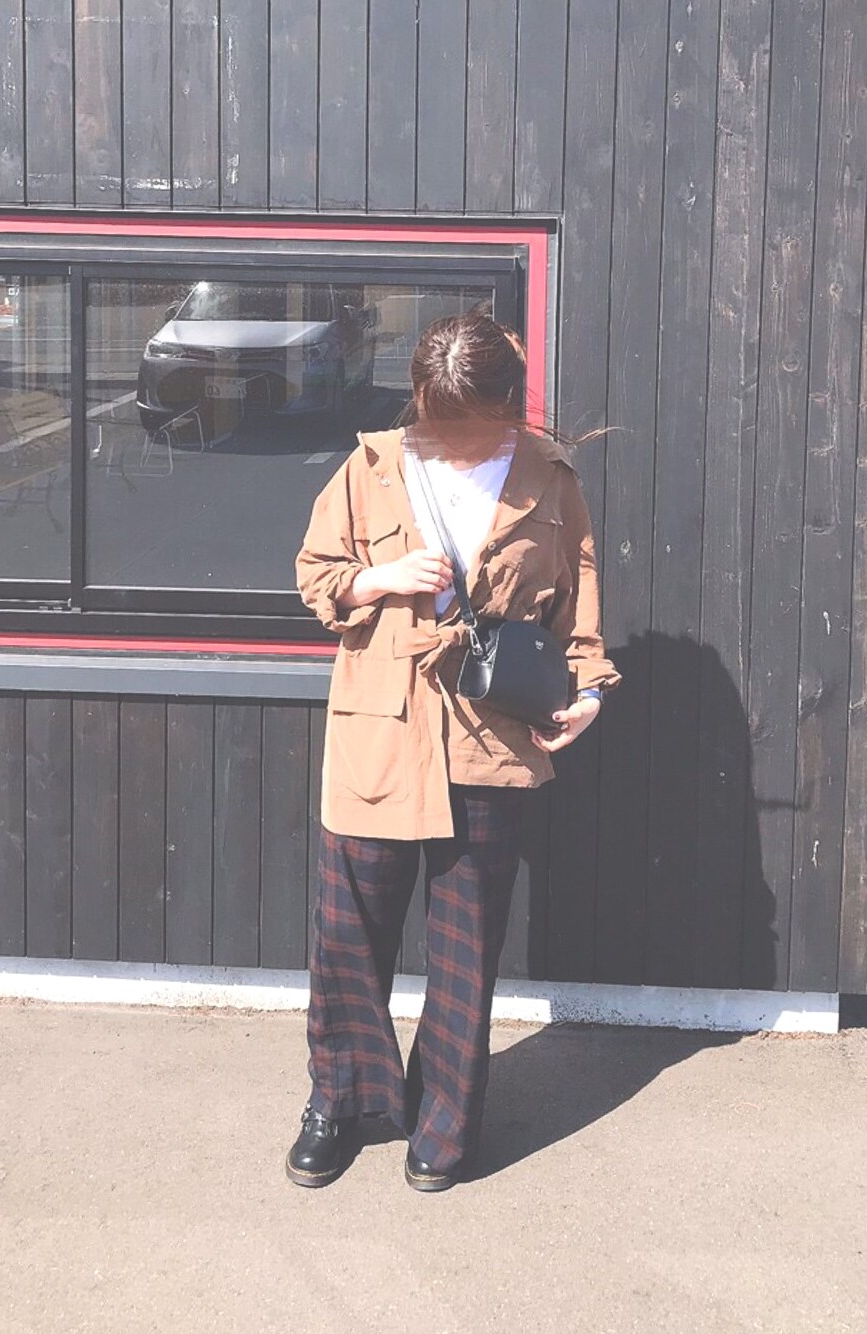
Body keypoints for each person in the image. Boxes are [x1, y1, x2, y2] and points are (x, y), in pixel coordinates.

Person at [288, 312, 622, 1191]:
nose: (455, 439)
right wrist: (380, 578)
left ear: (508, 403)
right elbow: (315, 574)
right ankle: (339, 1100)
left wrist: (587, 695)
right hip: (378, 726)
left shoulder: (550, 480)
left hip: (489, 736)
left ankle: (445, 1118)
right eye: (440, 420)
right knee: (347, 933)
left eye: (471, 422)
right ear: (420, 400)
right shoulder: (372, 468)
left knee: (465, 948)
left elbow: (578, 609)